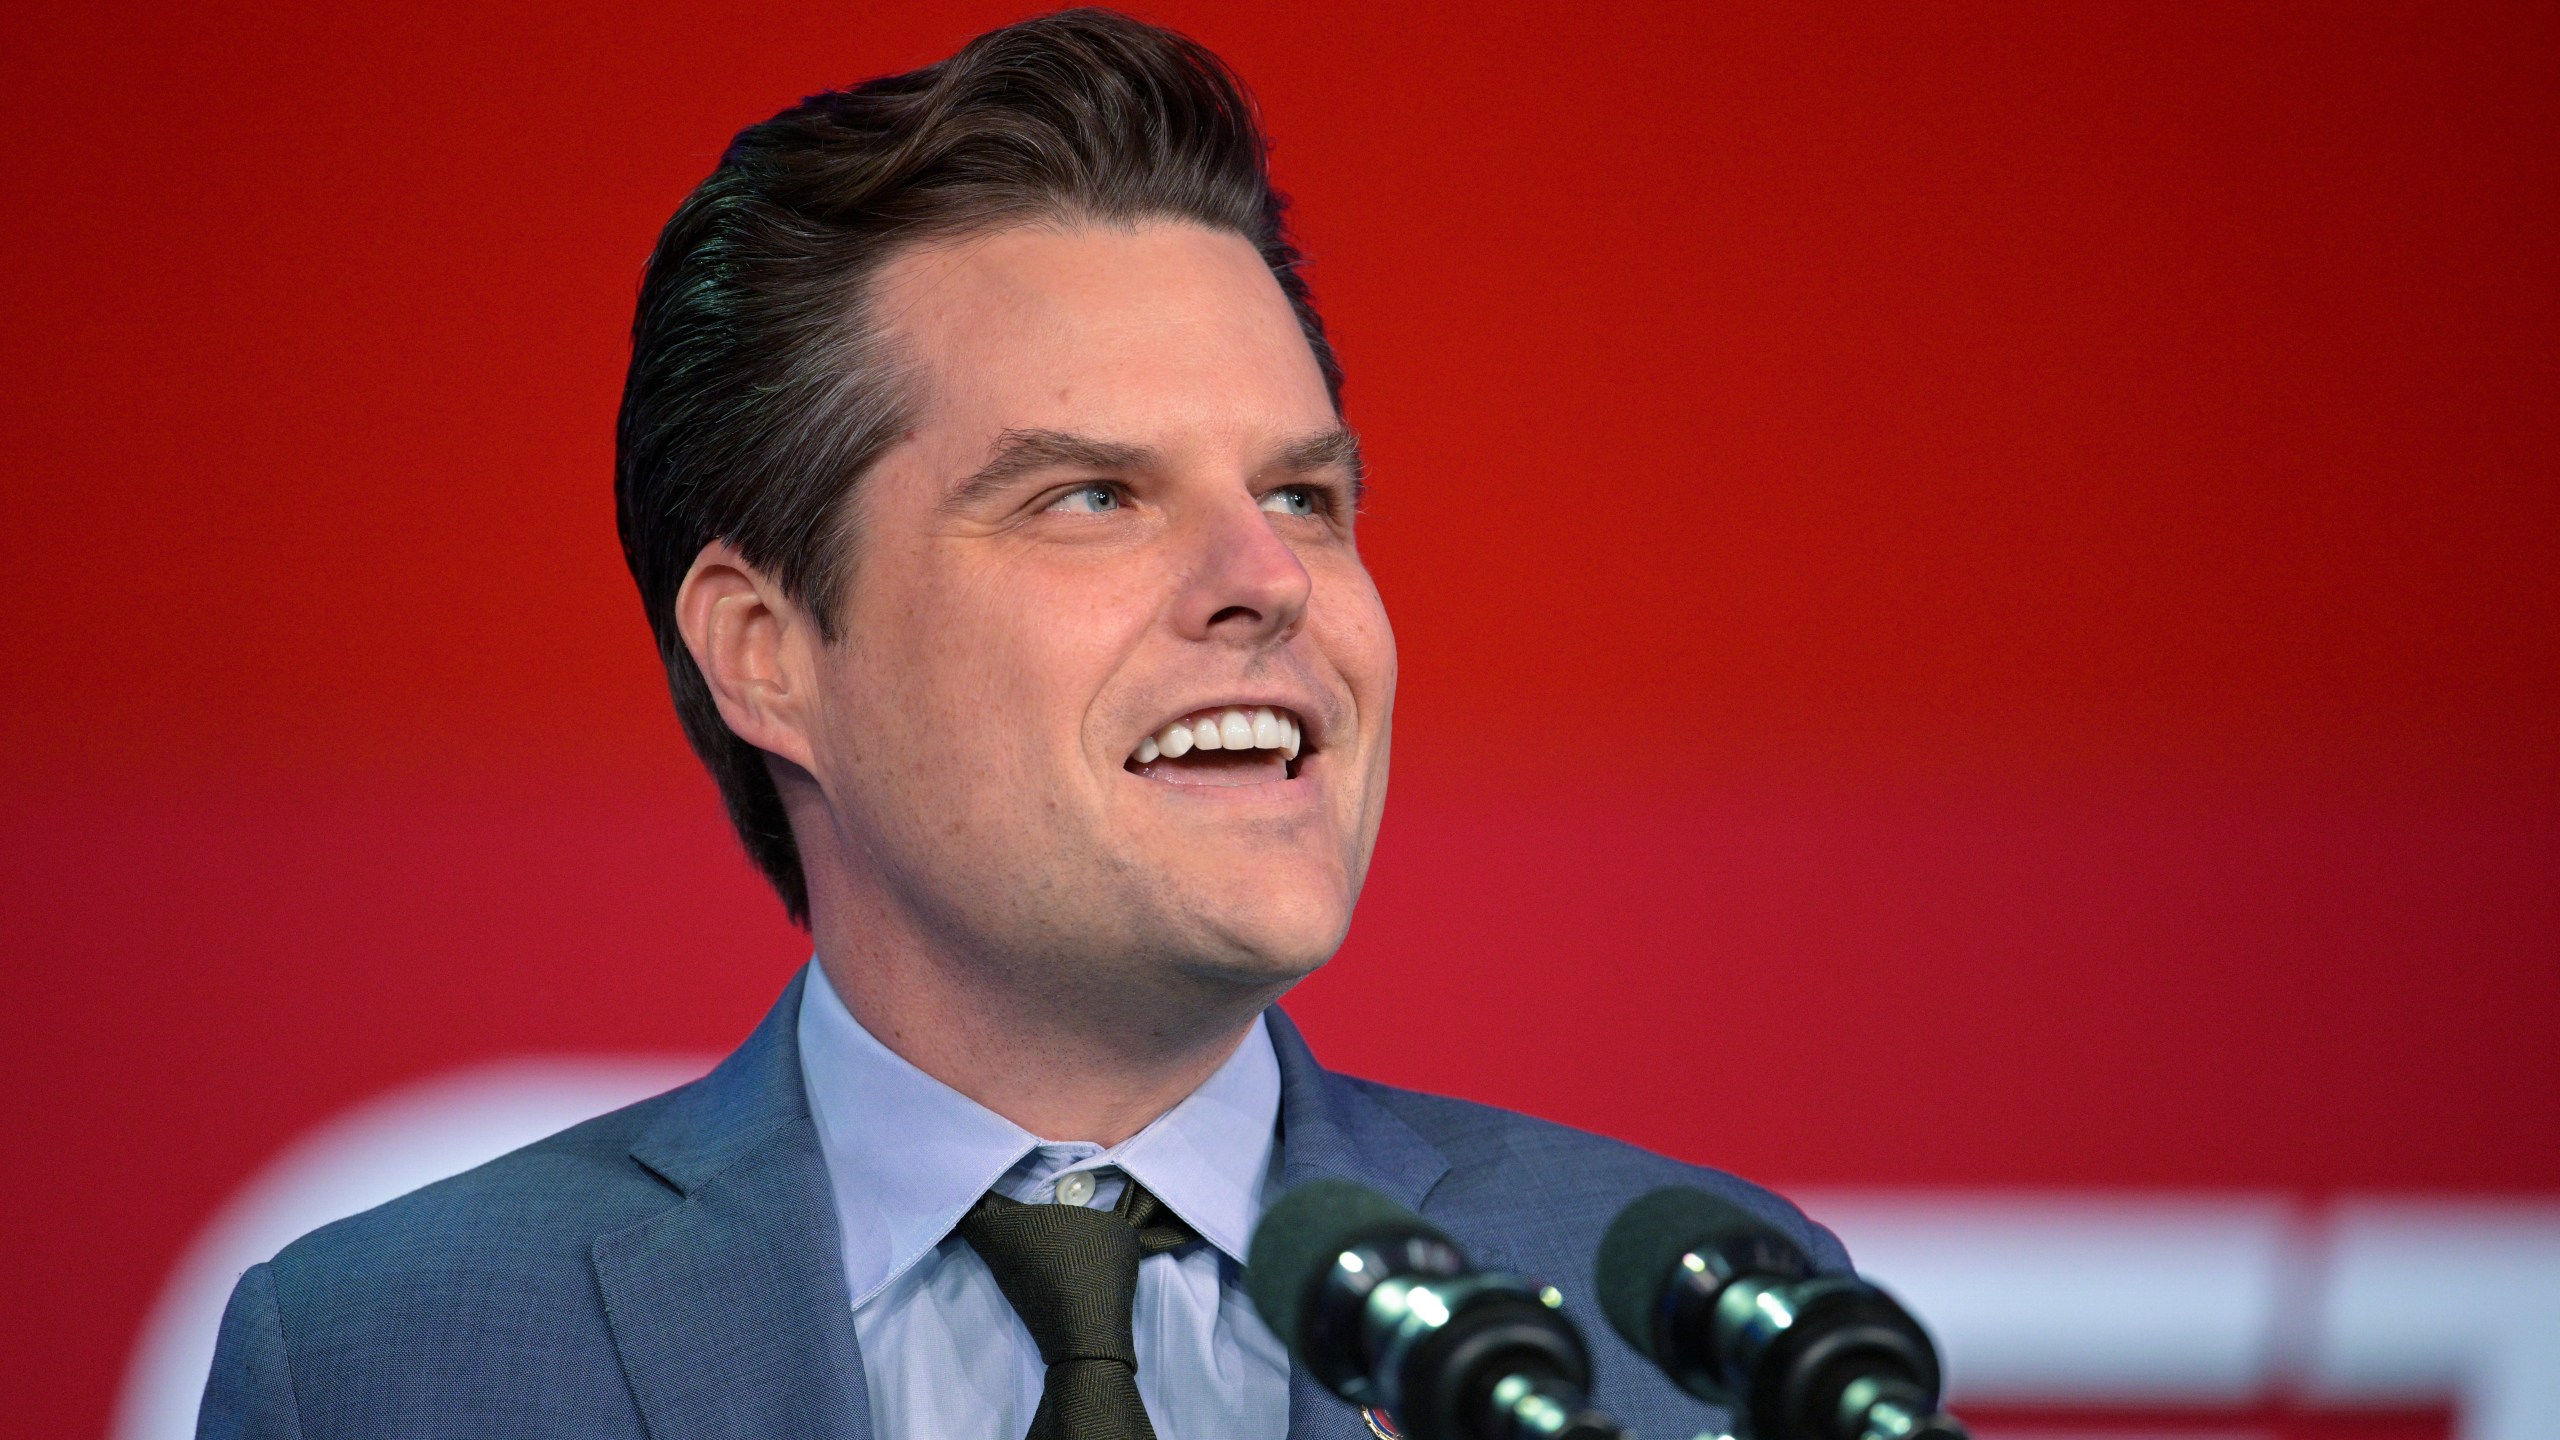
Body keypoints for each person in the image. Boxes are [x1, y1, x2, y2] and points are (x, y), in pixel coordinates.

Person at [197, 11, 1845, 1439]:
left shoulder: (1694, 1340)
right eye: (1093, 494)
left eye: (1304, 493)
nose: (1268, 579)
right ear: (768, 654)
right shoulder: (380, 1364)